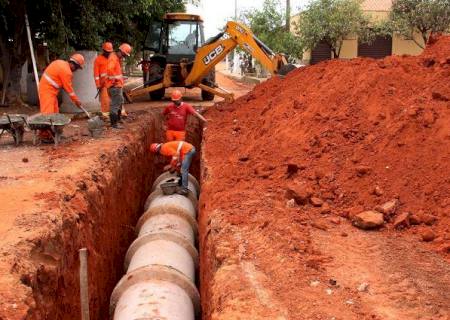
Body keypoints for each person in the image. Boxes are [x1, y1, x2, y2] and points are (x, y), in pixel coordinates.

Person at [106, 43, 132, 129]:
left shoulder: (115, 58)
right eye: (125, 54)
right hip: (114, 86)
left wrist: (120, 78)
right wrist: (115, 80)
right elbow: (109, 70)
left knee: (120, 101)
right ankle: (114, 124)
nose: (124, 56)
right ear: (121, 51)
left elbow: (114, 71)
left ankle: (117, 120)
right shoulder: (113, 58)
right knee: (116, 103)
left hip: (116, 85)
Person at [94, 42, 113, 116]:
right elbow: (96, 74)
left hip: (113, 83)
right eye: (107, 52)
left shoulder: (112, 58)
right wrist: (98, 84)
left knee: (116, 100)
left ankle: (118, 116)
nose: (108, 53)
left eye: (110, 52)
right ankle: (106, 117)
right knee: (105, 101)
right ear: (103, 51)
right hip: (103, 84)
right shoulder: (98, 60)